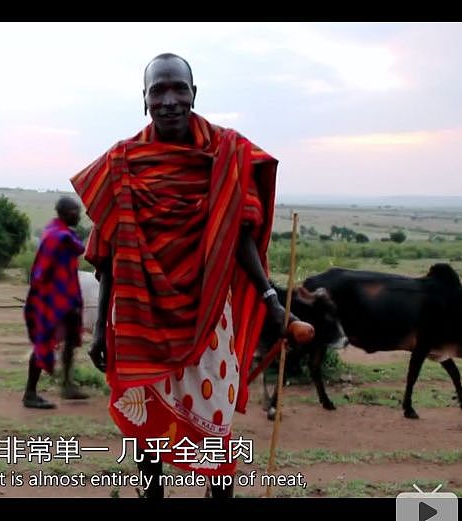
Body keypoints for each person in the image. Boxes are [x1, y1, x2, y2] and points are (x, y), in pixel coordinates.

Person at [69, 53, 288, 498]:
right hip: (139, 315)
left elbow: (240, 236)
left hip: (207, 315)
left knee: (215, 424)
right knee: (148, 434)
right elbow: (108, 254)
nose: (168, 100)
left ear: (194, 93)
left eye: (178, 89)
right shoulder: (122, 162)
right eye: (158, 91)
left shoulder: (225, 154)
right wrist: (98, 335)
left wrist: (271, 299)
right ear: (144, 99)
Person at [22, 196, 90, 409]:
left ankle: (67, 385)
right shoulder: (56, 237)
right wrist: (45, 299)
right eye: (76, 211)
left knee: (70, 339)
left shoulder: (64, 235)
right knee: (44, 342)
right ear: (67, 213)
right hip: (50, 300)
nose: (79, 215)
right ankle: (30, 394)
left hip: (66, 298)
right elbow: (41, 271)